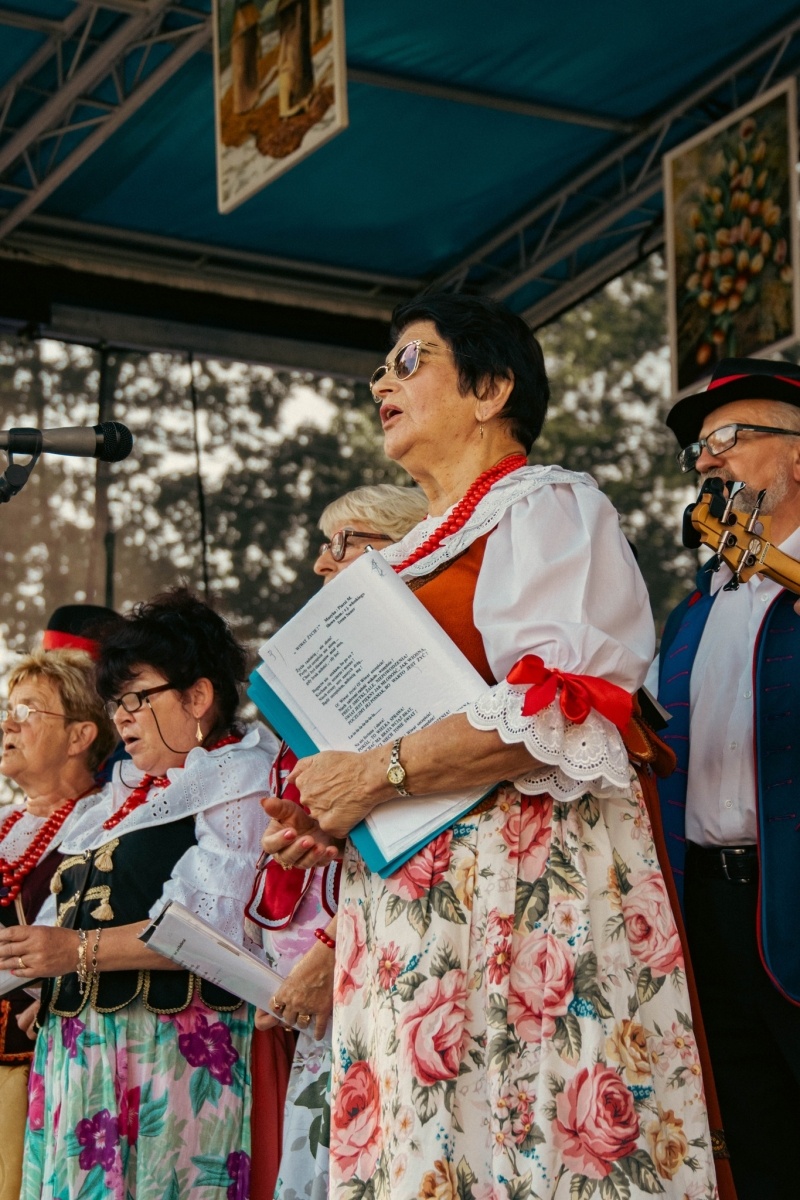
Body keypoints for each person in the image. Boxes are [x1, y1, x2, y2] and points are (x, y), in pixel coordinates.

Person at [261, 294, 718, 1200]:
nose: (379, 381)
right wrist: (337, 810)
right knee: (427, 1151)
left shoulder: (545, 504)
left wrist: (379, 771)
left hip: (517, 900)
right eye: (380, 367)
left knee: (524, 1132)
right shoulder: (405, 555)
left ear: (492, 388)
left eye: (409, 361)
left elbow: (562, 709)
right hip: (412, 916)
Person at [0, 587, 278, 1200]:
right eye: (115, 701)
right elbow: (56, 925)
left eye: (137, 697)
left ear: (198, 696)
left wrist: (71, 953)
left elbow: (204, 925)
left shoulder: (237, 776)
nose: (120, 715)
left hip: (169, 1044)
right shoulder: (121, 795)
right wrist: (45, 975)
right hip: (80, 1047)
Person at [250, 483, 428, 1200]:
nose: (323, 567)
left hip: (414, 953)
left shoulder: (433, 667)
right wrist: (323, 832)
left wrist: (326, 955)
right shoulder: (338, 676)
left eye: (344, 543)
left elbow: (433, 831)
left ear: (407, 549)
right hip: (362, 951)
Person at [656, 356, 800, 1200]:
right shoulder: (692, 612)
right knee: (759, 1142)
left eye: (728, 438)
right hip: (711, 908)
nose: (707, 461)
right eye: (700, 450)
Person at [0, 649, 115, 1200]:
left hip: (31, 1068)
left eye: (27, 711)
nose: (7, 724)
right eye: (8, 709)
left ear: (79, 736)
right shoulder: (5, 824)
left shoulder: (104, 824)